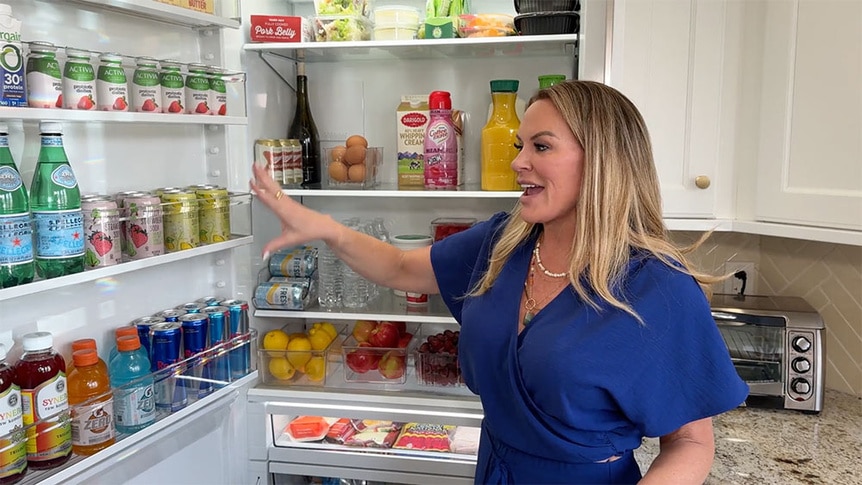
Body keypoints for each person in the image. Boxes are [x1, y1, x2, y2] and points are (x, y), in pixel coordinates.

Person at [250, 80, 749, 484]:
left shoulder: (655, 286)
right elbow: (401, 269)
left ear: (602, 161)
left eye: (541, 146)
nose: (517, 162)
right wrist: (328, 230)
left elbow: (690, 443)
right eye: (520, 145)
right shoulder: (502, 244)